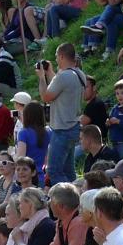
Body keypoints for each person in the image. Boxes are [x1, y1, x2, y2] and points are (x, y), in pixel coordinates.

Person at [38, 42, 86, 185]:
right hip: (74, 126)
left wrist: (41, 78)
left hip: (62, 130)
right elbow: (60, 86)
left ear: (62, 56)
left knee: (53, 171)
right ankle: (75, 194)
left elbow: (46, 97)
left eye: (57, 57)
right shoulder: (79, 73)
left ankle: (67, 199)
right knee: (68, 170)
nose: (56, 60)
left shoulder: (63, 76)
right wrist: (50, 73)